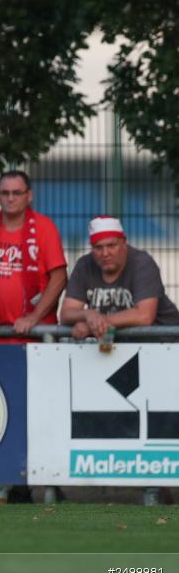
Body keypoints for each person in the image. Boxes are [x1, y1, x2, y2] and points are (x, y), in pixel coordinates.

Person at [60, 216, 178, 506]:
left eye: (112, 245)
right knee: (132, 425)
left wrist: (93, 322)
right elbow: (67, 312)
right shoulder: (85, 266)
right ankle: (155, 487)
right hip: (124, 354)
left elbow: (144, 315)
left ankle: (159, 486)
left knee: (165, 425)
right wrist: (88, 315)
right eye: (99, 247)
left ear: (124, 243)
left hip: (164, 350)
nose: (105, 253)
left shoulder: (142, 263)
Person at [0, 170, 66, 504]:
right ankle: (4, 485)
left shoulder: (46, 228)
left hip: (35, 342)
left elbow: (58, 276)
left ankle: (45, 484)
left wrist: (35, 318)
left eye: (16, 192)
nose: (9, 199)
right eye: (4, 193)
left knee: (37, 415)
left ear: (29, 195)